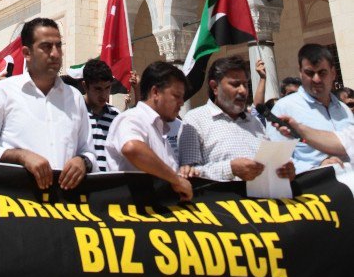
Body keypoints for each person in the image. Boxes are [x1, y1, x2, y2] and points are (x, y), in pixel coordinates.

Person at [0, 18, 97, 190]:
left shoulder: (74, 98)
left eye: (58, 46)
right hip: (17, 204)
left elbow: (89, 152)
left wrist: (82, 162)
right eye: (46, 47)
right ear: (26, 53)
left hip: (65, 207)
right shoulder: (2, 92)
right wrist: (20, 156)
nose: (55, 53)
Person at [178, 55, 295, 183]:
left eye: (245, 84)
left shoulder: (254, 122)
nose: (243, 91)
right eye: (235, 84)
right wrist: (230, 169)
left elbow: (270, 164)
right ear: (214, 87)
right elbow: (189, 173)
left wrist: (284, 170)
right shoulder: (195, 120)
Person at [105, 61, 193, 202]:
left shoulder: (168, 127)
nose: (182, 103)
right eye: (176, 96)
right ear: (155, 92)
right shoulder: (131, 118)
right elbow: (132, 148)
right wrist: (176, 179)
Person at [266, 44, 354, 172]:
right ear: (301, 73)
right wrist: (317, 168)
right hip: (311, 188)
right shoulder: (284, 109)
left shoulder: (344, 110)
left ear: (333, 73)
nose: (316, 79)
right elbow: (276, 160)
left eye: (322, 73)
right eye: (310, 73)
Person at [83, 58, 118, 171]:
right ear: (85, 86)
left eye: (107, 88)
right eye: (98, 89)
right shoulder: (75, 113)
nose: (104, 95)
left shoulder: (116, 116)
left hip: (108, 183)